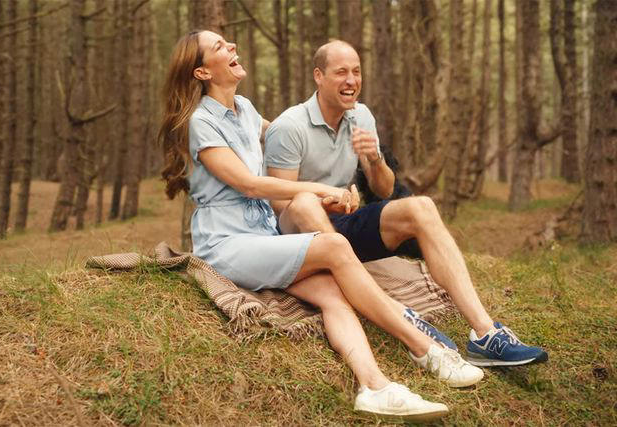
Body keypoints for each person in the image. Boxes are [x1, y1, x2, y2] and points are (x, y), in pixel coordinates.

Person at [158, 30, 486, 421]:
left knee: (332, 292)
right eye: (220, 48)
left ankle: (374, 387)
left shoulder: (244, 108)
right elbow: (248, 184)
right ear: (201, 72)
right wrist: (318, 189)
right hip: (227, 243)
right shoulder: (200, 123)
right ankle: (425, 348)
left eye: (229, 43)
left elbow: (284, 133)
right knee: (334, 248)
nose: (231, 47)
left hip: (264, 238)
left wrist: (343, 182)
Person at [264, 40, 548, 367]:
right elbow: (279, 202)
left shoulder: (362, 116)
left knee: (421, 206)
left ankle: (485, 333)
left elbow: (384, 190)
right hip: (301, 236)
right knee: (302, 202)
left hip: (344, 222)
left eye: (356, 72)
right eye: (341, 72)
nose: (351, 81)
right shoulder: (290, 126)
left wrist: (374, 159)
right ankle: (398, 313)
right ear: (318, 76)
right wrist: (327, 198)